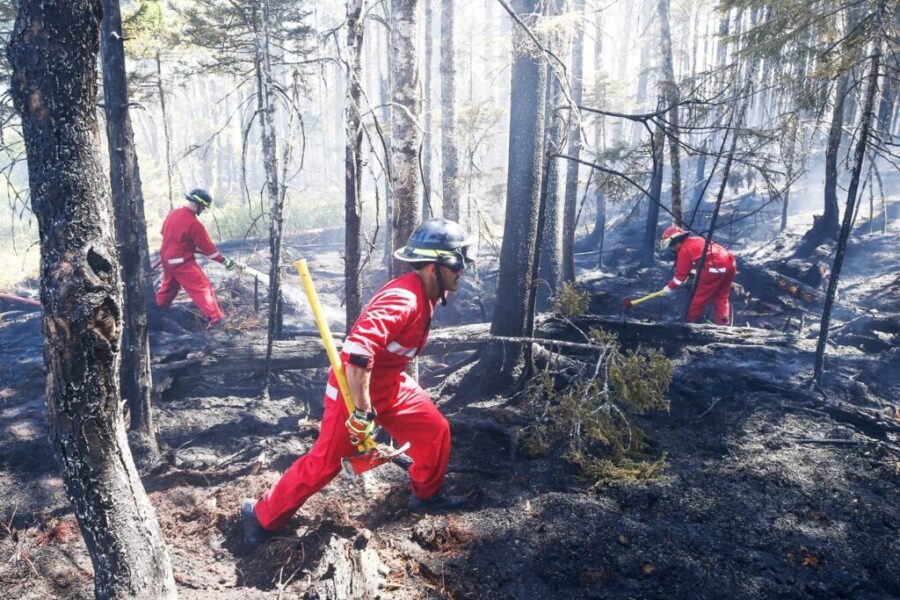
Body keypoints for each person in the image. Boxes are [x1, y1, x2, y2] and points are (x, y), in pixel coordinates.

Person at [241, 218, 474, 545]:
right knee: (325, 465)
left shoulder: (429, 293)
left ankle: (427, 495)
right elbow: (358, 351)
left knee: (435, 430)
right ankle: (260, 515)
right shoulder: (404, 299)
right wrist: (362, 413)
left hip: (390, 384)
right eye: (458, 260)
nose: (464, 268)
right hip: (353, 391)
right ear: (435, 266)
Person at [155, 188, 236, 327]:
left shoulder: (172, 214)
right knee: (202, 287)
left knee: (169, 288)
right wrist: (224, 261)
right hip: (181, 261)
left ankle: (156, 314)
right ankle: (216, 319)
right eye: (203, 207)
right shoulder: (194, 224)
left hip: (167, 258)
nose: (203, 210)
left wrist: (187, 247)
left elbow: (167, 235)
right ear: (197, 204)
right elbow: (210, 251)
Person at [658, 226, 736, 325]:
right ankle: (723, 324)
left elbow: (680, 277)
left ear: (676, 241)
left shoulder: (684, 250)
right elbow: (697, 265)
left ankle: (691, 323)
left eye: (671, 245)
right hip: (730, 262)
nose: (672, 248)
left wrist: (669, 288)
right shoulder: (695, 240)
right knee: (721, 296)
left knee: (700, 297)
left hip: (715, 266)